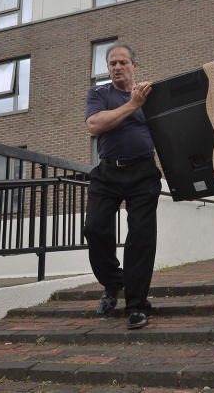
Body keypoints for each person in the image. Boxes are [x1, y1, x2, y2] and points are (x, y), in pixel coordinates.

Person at [84, 41, 162, 330]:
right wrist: (133, 104)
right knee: (94, 228)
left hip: (143, 172)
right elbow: (94, 125)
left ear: (134, 66)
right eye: (112, 64)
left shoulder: (150, 96)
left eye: (122, 63)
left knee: (140, 237)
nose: (117, 68)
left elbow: (168, 130)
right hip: (108, 172)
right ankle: (113, 284)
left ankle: (137, 305)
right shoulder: (99, 93)